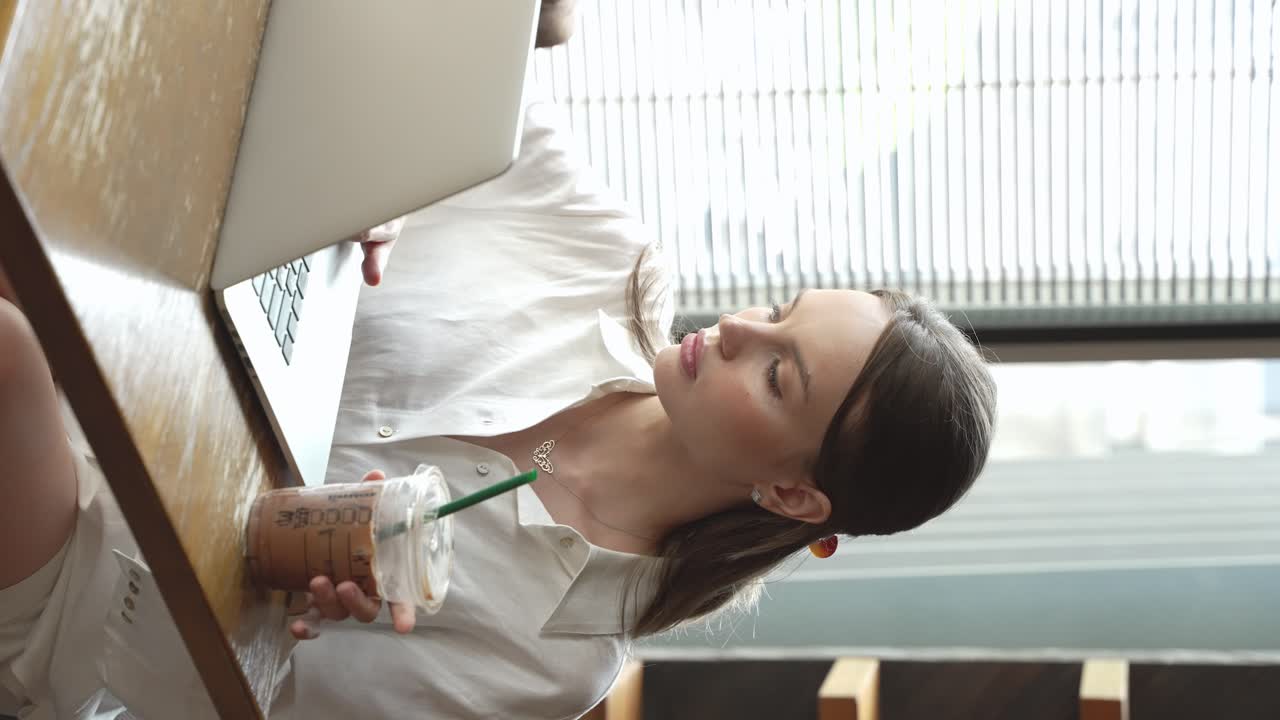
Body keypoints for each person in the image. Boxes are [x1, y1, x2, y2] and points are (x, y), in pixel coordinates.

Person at [0, 3, 997, 718]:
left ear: (791, 495)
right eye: (776, 310)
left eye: (776, 374)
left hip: (90, 567)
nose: (734, 330)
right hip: (117, 329)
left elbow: (235, 690)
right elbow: (438, 52)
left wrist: (280, 607)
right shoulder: (600, 258)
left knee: (9, 339)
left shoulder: (552, 658)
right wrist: (372, 173)